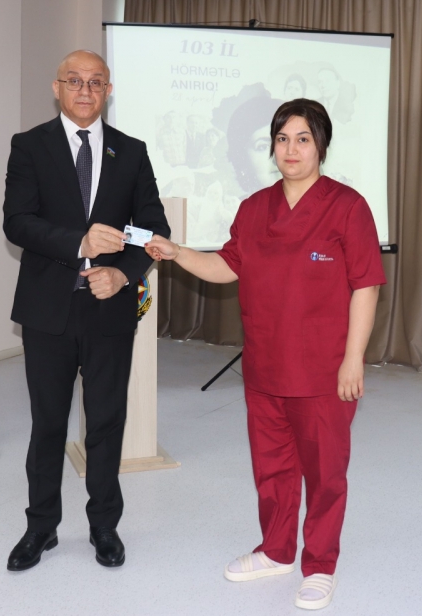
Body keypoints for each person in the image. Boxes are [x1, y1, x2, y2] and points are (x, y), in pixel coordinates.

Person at [145, 99, 384, 610]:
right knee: (272, 468)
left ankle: (320, 565)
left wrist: (353, 358)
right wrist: (178, 252)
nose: (291, 149)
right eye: (282, 139)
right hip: (265, 366)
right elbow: (227, 267)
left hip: (323, 371)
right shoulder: (254, 208)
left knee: (324, 473)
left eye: (303, 138)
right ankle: (276, 551)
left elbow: (366, 285)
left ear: (321, 145)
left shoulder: (348, 207)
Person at [2, 50, 170, 572]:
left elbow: (153, 229)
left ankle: (104, 526)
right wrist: (79, 243)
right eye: (74, 81)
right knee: (48, 424)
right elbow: (17, 222)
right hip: (47, 309)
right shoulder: (29, 145)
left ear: (108, 91)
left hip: (109, 308)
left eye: (96, 82)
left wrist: (123, 274)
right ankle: (41, 526)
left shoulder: (132, 152)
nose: (85, 90)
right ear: (57, 88)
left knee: (105, 422)